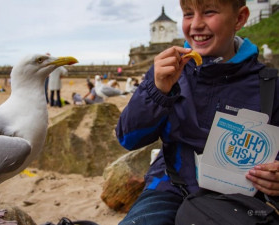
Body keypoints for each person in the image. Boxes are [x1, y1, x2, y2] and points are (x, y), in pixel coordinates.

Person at [115, 1, 279, 225]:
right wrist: (158, 91)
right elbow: (128, 138)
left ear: (239, 19)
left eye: (209, 12)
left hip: (239, 198)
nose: (196, 24)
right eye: (188, 14)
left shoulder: (269, 84)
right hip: (170, 187)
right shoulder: (167, 73)